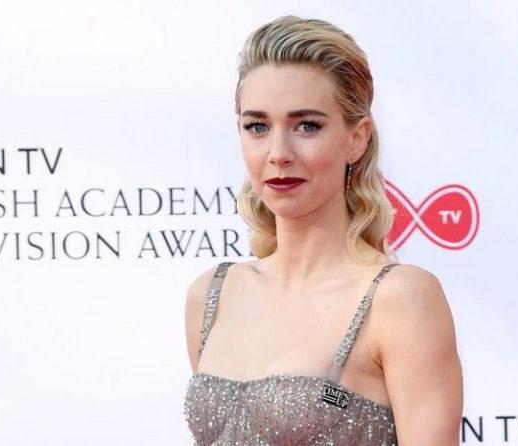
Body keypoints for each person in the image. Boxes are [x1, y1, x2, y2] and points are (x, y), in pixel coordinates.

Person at [184, 15, 463, 445]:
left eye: (307, 126)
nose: (278, 153)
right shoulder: (211, 296)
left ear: (357, 138)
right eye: (257, 127)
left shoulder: (400, 299)